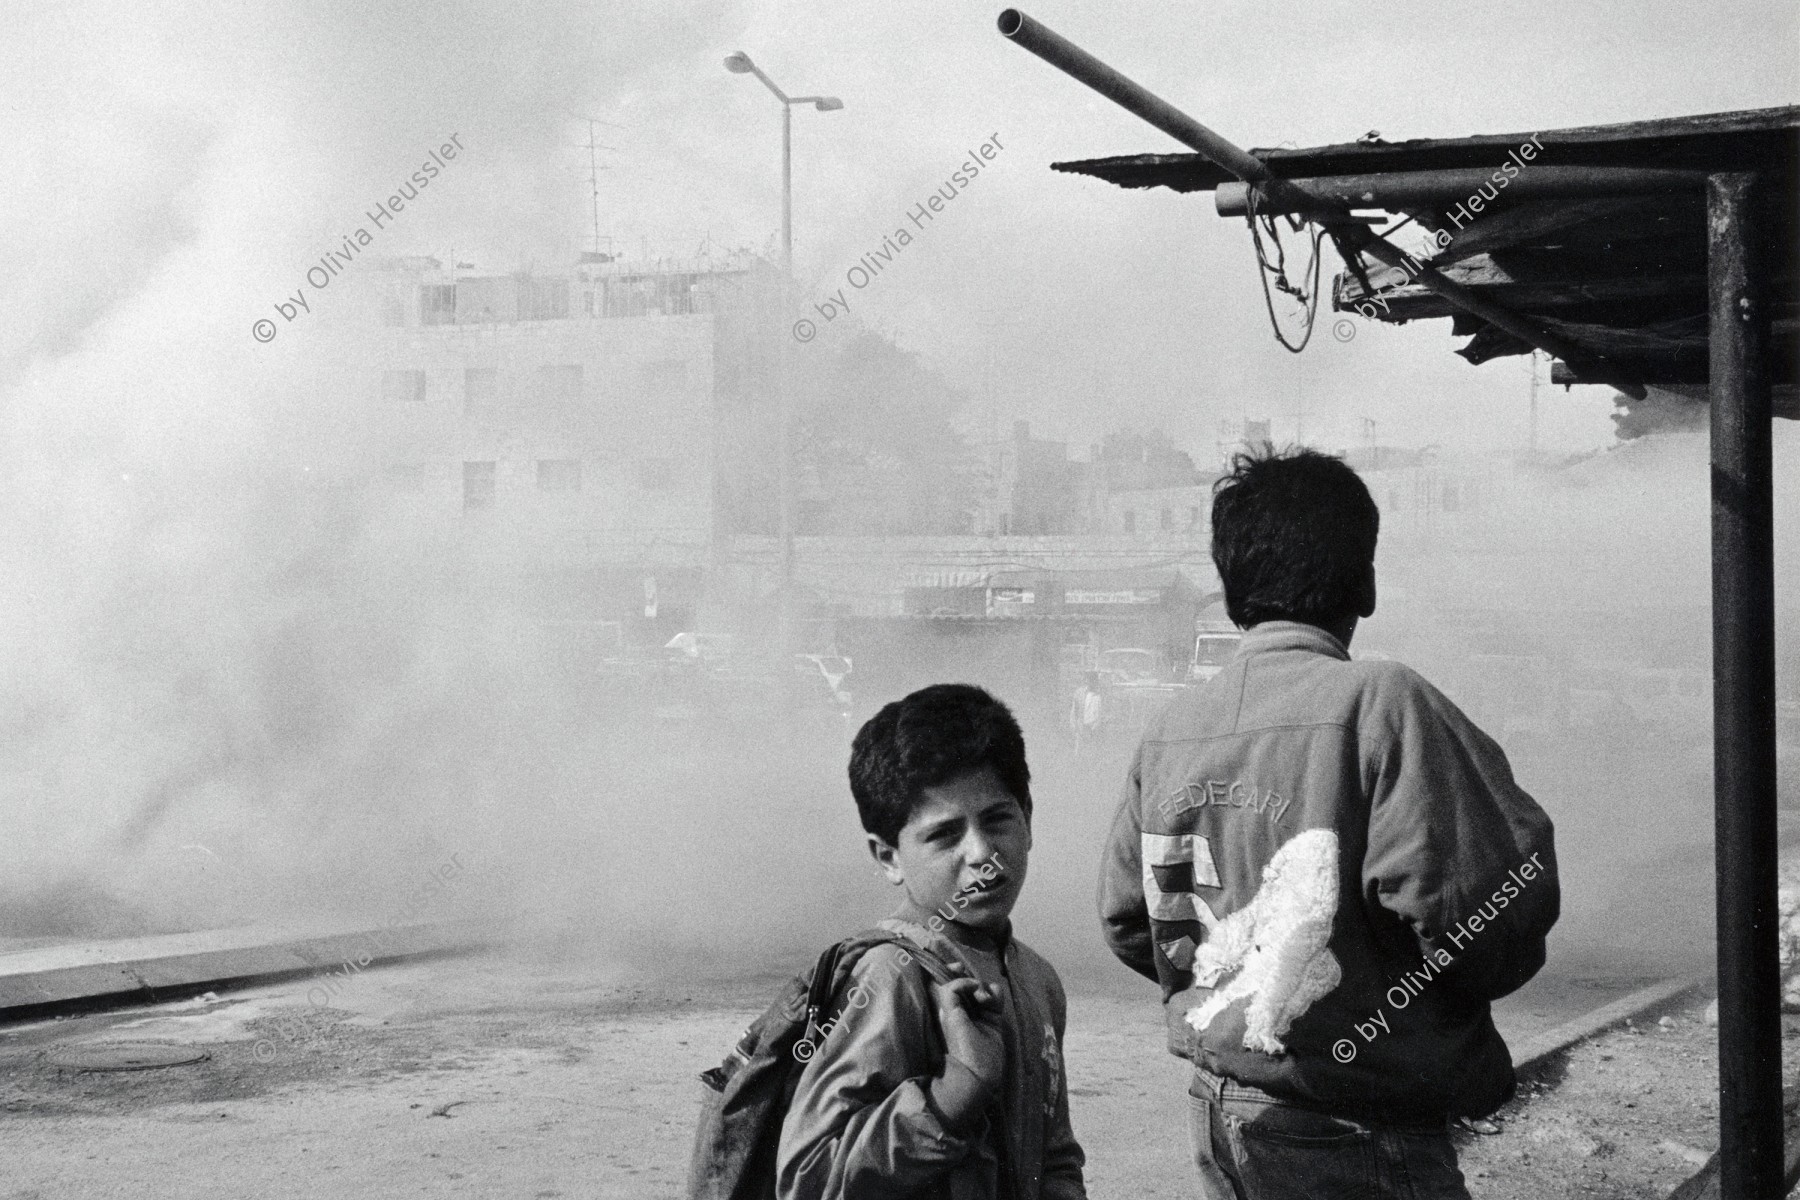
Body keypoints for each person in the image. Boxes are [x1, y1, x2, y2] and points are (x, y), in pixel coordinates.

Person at [1097, 446, 1558, 1200]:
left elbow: (1128, 917)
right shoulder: (1384, 704)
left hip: (1219, 1111)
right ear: (1366, 584)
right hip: (1357, 1125)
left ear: (1230, 588)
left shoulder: (1173, 727)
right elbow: (1482, 911)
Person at [778, 683, 1087, 1200]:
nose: (982, 851)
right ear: (888, 857)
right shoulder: (889, 976)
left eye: (997, 819)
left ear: (1028, 817)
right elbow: (807, 1177)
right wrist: (951, 1098)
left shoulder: (1036, 979)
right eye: (945, 835)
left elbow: (1053, 1157)